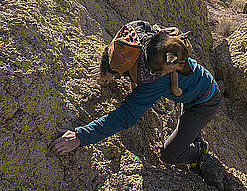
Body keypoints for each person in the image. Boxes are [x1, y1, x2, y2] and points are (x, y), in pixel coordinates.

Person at [48, 21, 222, 172]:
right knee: (184, 133)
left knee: (170, 155)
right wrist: (107, 69)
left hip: (204, 102)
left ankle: (199, 150)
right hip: (193, 93)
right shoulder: (143, 38)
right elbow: (117, 51)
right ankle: (191, 134)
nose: (183, 70)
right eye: (176, 67)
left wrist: (80, 136)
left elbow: (126, 116)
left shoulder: (145, 40)